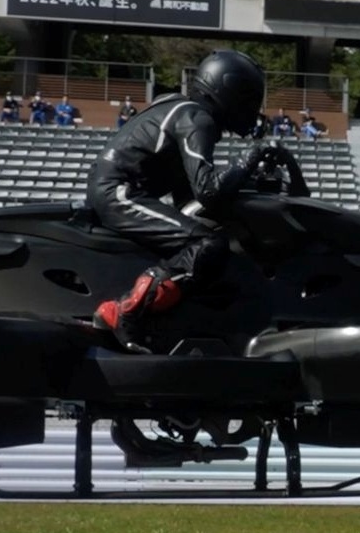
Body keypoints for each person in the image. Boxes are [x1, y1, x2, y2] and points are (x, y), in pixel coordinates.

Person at [87, 48, 268, 353]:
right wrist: (249, 160)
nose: (251, 108)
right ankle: (125, 312)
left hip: (116, 189)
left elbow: (192, 197)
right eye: (248, 98)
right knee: (206, 246)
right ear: (230, 90)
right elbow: (209, 191)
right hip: (120, 193)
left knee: (204, 238)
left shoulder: (179, 108)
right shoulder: (197, 118)